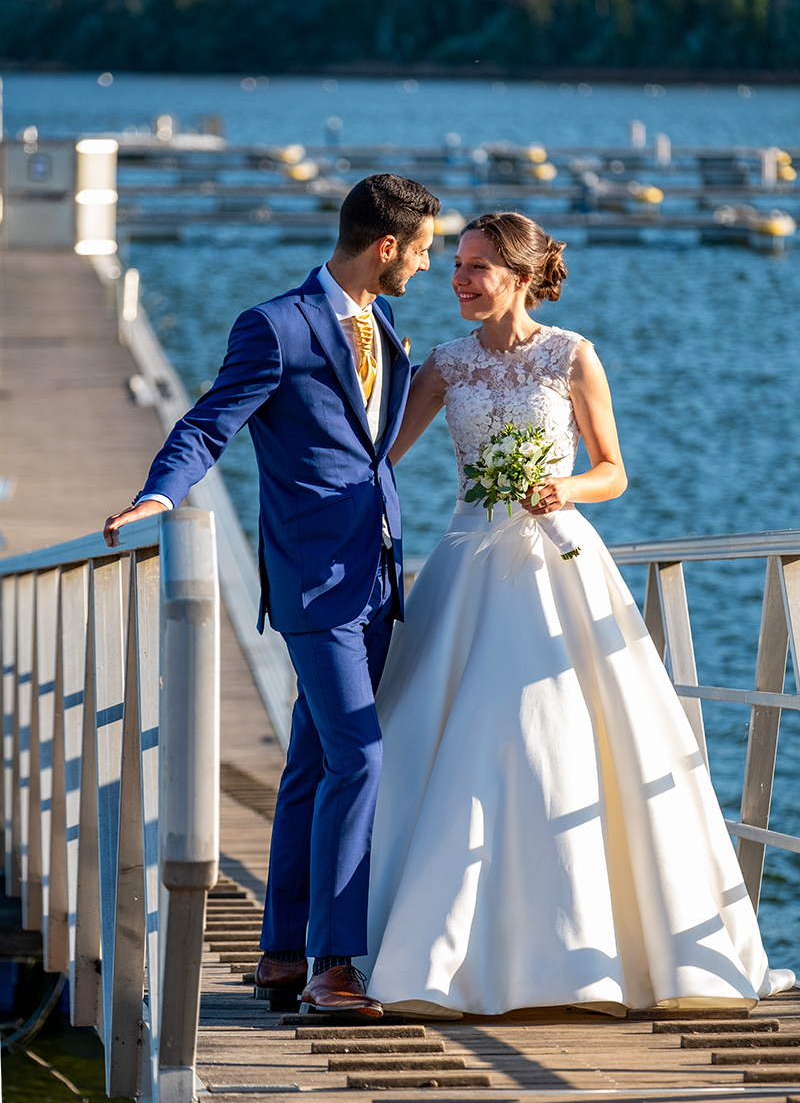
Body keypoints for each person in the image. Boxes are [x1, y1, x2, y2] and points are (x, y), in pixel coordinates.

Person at [356, 211, 794, 1018]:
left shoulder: (572, 355)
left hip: (560, 558)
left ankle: (598, 949)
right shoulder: (444, 367)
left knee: (566, 737)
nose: (459, 279)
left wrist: (565, 488)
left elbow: (614, 471)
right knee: (453, 737)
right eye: (455, 264)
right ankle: (428, 946)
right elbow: (374, 457)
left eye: (478, 267)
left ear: (521, 276)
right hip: (467, 561)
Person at [103, 174, 441, 1018]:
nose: (429, 268)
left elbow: (370, 450)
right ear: (386, 246)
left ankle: (282, 954)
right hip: (311, 580)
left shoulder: (384, 322)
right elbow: (210, 422)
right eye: (426, 251)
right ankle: (335, 962)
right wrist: (160, 495)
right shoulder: (277, 326)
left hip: (375, 570)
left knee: (312, 764)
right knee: (358, 754)